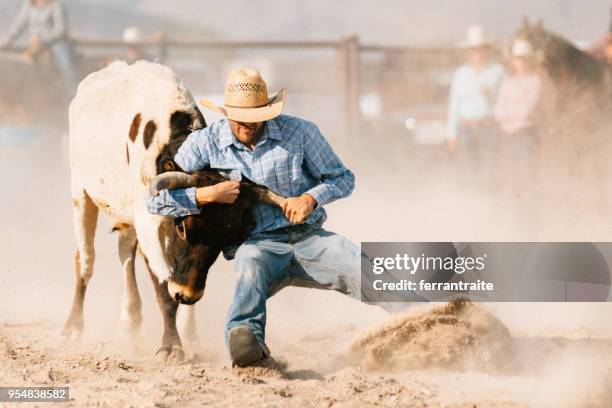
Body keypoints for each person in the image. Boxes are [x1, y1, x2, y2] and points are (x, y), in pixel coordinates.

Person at [146, 68, 396, 367]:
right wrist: (207, 195)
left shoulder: (301, 133)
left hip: (309, 237)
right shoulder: (205, 143)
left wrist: (311, 198)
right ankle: (247, 345)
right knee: (249, 271)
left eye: (254, 117)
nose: (246, 125)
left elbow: (343, 178)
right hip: (257, 243)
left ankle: (429, 320)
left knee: (358, 263)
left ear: (267, 111)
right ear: (226, 113)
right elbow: (155, 200)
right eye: (238, 117)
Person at [446, 25, 505, 173]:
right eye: (474, 49)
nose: (477, 53)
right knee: (467, 169)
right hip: (466, 127)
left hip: (488, 126)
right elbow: (454, 105)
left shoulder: (498, 72)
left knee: (488, 169)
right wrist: (451, 134)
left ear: (487, 50)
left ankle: (487, 195)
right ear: (469, 52)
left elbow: (504, 100)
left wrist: (490, 95)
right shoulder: (461, 73)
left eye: (481, 49)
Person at [1, 0, 78, 94]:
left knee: (65, 65)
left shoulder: (56, 6)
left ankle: (73, 93)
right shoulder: (29, 5)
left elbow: (61, 29)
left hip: (55, 42)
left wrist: (43, 39)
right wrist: (6, 42)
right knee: (22, 64)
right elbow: (19, 26)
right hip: (36, 44)